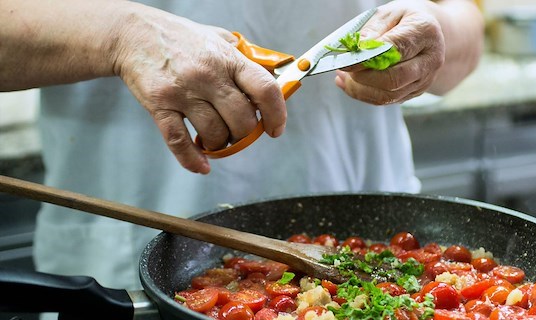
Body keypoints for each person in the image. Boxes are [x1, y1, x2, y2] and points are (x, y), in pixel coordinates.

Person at [0, 0, 483, 294]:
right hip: (129, 255)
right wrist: (121, 36)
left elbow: (468, 34)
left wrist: (434, 31)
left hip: (386, 246)